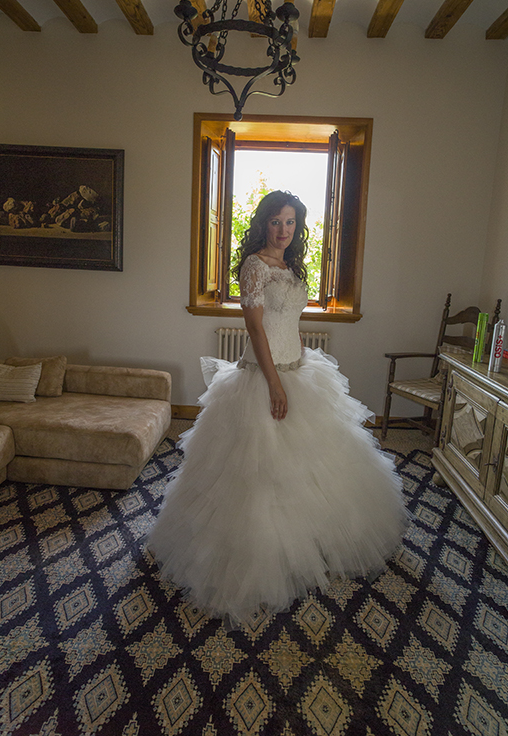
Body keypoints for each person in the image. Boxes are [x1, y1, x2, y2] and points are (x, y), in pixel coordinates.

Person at [148, 191, 408, 626]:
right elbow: (255, 328)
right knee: (257, 469)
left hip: (297, 368)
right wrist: (274, 384)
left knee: (314, 462)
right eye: (275, 221)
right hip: (261, 375)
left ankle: (313, 543)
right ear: (263, 224)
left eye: (290, 222)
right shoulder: (255, 266)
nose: (283, 230)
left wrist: (300, 359)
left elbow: (289, 322)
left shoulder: (290, 266)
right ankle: (256, 555)